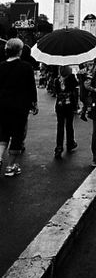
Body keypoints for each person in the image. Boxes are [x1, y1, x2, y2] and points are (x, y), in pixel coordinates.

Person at [0, 38, 38, 177]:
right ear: (20, 51)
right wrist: (34, 103)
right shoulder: (26, 67)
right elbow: (31, 87)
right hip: (20, 107)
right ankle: (11, 166)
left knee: (3, 133)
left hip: (3, 105)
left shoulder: (1, 66)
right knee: (17, 135)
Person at [53, 65, 79, 158]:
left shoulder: (57, 80)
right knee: (69, 125)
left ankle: (59, 147)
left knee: (60, 125)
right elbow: (76, 86)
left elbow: (55, 91)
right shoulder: (71, 78)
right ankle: (70, 142)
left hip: (59, 105)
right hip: (69, 105)